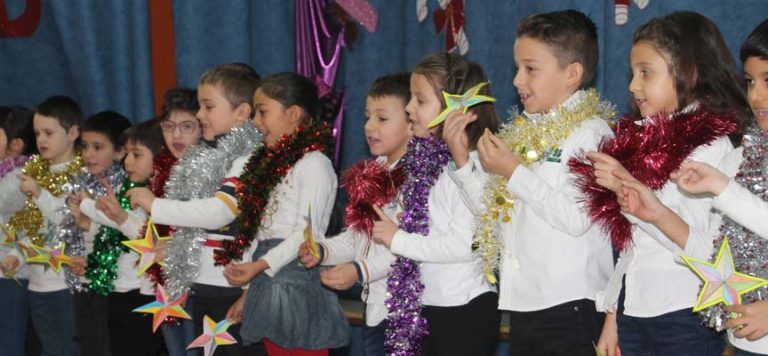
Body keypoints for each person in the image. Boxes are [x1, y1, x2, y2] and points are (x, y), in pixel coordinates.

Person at [571, 11, 748, 355]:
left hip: (684, 314)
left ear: (690, 72)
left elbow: (703, 249)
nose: (633, 86)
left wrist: (634, 193)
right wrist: (613, 314)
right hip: (635, 309)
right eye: (633, 72)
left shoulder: (711, 146)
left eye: (646, 73)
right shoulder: (646, 140)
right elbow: (632, 246)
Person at [458, 10, 616, 356]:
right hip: (525, 306)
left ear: (572, 73)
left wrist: (514, 172)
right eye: (517, 67)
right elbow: (492, 218)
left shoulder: (590, 132)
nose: (517, 79)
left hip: (570, 307)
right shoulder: (524, 133)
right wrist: (465, 163)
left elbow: (576, 219)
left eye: (530, 68)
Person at [615, 18, 768, 356]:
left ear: (689, 73)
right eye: (750, 81)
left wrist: (724, 189)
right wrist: (652, 213)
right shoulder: (738, 159)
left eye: (767, 80)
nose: (756, 94)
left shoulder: (715, 153)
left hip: (683, 316)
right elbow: (709, 257)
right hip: (743, 340)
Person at [128, 63, 263, 356]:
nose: (200, 115)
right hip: (207, 281)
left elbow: (220, 212)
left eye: (208, 106)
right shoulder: (211, 157)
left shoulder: (249, 157)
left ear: (241, 112)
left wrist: (156, 205)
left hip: (229, 282)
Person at [371, 52, 501, 356]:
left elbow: (465, 245)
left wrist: (399, 239)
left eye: (419, 100)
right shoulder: (427, 163)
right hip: (433, 306)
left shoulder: (474, 165)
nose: (408, 108)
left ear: (455, 108)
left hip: (462, 310)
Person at [223, 72, 349, 356]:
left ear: (292, 114)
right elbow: (259, 228)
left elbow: (307, 234)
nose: (255, 122)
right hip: (268, 278)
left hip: (298, 280)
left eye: (263, 112)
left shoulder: (314, 164)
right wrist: (249, 290)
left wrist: (260, 266)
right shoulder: (272, 165)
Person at [298, 72, 412, 356]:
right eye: (367, 116)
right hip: (375, 311)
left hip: (408, 315)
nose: (370, 126)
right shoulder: (375, 172)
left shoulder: (418, 179)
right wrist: (322, 251)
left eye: (382, 118)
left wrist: (359, 271)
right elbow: (356, 239)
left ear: (413, 122)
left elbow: (410, 248)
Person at [0, 95, 84, 356]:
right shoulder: (37, 174)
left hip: (67, 284)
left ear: (72, 132)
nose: (42, 140)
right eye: (38, 133)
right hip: (38, 284)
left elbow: (69, 221)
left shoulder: (82, 173)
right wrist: (17, 255)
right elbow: (35, 228)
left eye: (49, 132)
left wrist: (40, 193)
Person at [79, 119, 164, 356]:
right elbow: (115, 227)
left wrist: (88, 205)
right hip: (121, 288)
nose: (127, 161)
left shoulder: (160, 194)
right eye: (126, 154)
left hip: (143, 290)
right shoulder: (130, 187)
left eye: (136, 154)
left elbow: (146, 236)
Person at [0, 105, 36, 356]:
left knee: (9, 340)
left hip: (12, 272)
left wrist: (18, 254)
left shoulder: (21, 175)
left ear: (16, 145)